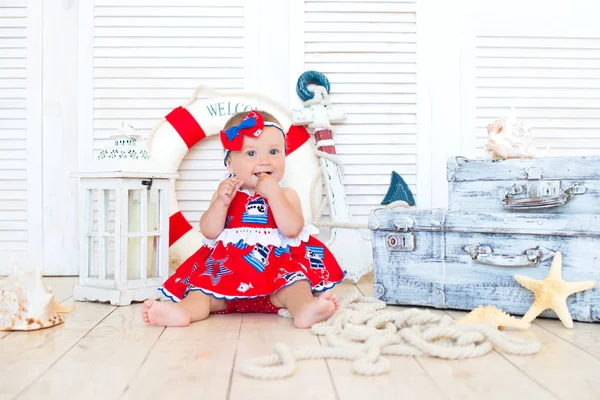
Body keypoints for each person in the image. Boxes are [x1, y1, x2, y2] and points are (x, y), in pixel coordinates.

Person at [142, 110, 345, 328]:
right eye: (251, 154)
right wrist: (221, 202)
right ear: (230, 164)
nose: (264, 161)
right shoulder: (226, 196)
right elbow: (209, 231)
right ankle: (183, 312)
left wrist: (274, 194)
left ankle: (304, 309)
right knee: (201, 291)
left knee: (297, 284)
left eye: (274, 151)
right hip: (226, 283)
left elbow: (292, 229)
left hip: (276, 283)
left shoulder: (286, 195)